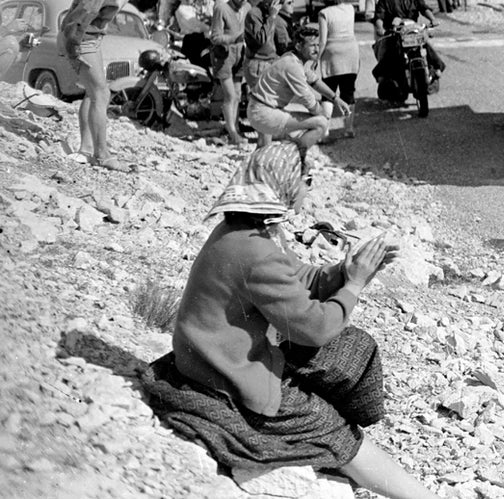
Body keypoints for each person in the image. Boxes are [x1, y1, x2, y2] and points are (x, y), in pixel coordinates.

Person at [140, 144, 442, 499]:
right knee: (334, 428)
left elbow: (297, 278)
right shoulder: (254, 250)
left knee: (354, 347)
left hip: (219, 354)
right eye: (306, 180)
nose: (307, 188)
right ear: (284, 183)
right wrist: (355, 284)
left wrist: (343, 273)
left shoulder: (250, 232)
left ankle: (332, 440)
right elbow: (314, 329)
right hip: (223, 374)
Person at [58, 0, 152, 169]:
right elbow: (79, 17)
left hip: (92, 39)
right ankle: (103, 155)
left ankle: (87, 150)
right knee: (101, 93)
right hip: (80, 39)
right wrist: (73, 49)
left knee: (94, 92)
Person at [248, 27, 347, 156]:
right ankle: (297, 159)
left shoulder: (292, 59)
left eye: (318, 45)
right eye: (312, 45)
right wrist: (323, 116)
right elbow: (307, 99)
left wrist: (335, 99)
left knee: (263, 151)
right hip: (263, 113)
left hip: (260, 108)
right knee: (321, 124)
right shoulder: (292, 65)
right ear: (299, 46)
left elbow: (314, 81)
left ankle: (254, 169)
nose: (316, 49)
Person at [372, 0, 444, 84]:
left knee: (425, 44)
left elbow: (423, 8)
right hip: (396, 34)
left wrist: (433, 19)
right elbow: (379, 16)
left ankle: (436, 67)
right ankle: (382, 76)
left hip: (413, 31)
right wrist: (380, 28)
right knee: (391, 53)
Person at [211, 0, 252, 148]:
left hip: (240, 54)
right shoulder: (221, 8)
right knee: (230, 96)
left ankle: (233, 128)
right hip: (224, 54)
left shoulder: (248, 8)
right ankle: (232, 132)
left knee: (237, 94)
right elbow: (215, 37)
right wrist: (234, 37)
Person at [315, 0, 359, 135]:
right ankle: (349, 128)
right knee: (348, 92)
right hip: (351, 52)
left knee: (328, 93)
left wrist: (315, 59)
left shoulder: (324, 14)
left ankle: (325, 132)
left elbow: (322, 40)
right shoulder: (350, 8)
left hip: (332, 54)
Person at [244, 0, 291, 91]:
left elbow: (282, 40)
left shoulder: (277, 12)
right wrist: (272, 16)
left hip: (274, 62)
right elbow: (261, 39)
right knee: (260, 103)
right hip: (259, 64)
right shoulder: (254, 13)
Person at [171, 0, 211, 66]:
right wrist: (210, 25)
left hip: (202, 40)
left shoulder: (196, 6)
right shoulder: (181, 10)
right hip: (192, 41)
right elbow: (197, 25)